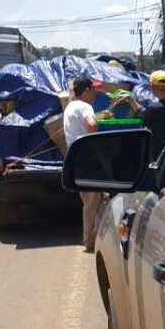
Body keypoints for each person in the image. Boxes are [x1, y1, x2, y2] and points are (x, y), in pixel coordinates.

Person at [63, 77, 102, 252]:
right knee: (92, 201)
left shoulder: (70, 107)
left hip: (75, 159)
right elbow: (92, 124)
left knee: (94, 198)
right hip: (87, 158)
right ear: (86, 91)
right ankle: (90, 240)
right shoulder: (86, 107)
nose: (95, 93)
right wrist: (95, 144)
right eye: (93, 90)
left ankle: (97, 234)